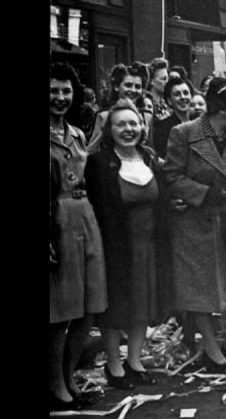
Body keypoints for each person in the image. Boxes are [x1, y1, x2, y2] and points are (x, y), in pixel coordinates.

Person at [163, 78, 226, 371]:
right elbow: (171, 176)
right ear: (222, 109)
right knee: (202, 289)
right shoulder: (184, 133)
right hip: (196, 223)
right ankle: (211, 348)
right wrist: (203, 194)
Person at [85, 100, 162, 389]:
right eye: (121, 124)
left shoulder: (150, 156)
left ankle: (135, 360)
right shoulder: (99, 162)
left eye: (133, 123)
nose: (128, 129)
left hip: (149, 245)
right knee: (116, 305)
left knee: (142, 302)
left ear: (141, 127)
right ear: (109, 130)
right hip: (116, 246)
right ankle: (114, 366)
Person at [50, 63, 107, 411]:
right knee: (61, 310)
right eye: (53, 90)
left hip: (85, 218)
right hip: (56, 220)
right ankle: (56, 385)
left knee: (90, 306)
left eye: (65, 91)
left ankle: (68, 377)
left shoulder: (77, 134)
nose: (59, 97)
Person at [89, 62, 150, 151]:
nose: (133, 90)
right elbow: (91, 150)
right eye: (128, 85)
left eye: (138, 87)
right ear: (116, 86)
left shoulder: (146, 116)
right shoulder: (104, 116)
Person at [153, 77, 195, 157]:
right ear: (169, 101)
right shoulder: (162, 129)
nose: (182, 97)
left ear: (191, 97)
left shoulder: (201, 123)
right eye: (177, 94)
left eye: (186, 93)